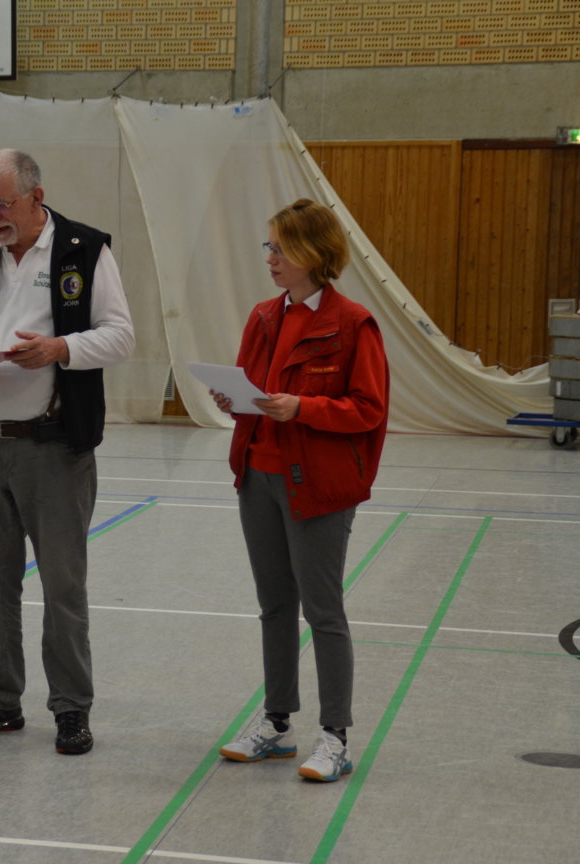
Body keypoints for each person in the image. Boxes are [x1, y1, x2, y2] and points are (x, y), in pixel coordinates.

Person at [0, 150, 135, 755]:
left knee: (63, 586)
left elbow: (121, 336)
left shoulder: (83, 249)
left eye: (3, 204)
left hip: (53, 447)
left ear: (36, 197)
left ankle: (71, 707)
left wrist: (59, 350)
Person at [213, 198, 389, 782]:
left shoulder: (354, 323)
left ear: (315, 253)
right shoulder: (264, 316)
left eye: (281, 248)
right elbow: (252, 391)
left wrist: (303, 407)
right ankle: (276, 724)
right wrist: (232, 399)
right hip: (257, 476)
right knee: (274, 606)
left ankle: (335, 736)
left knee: (323, 610)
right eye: (269, 246)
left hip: (317, 486)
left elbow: (368, 409)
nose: (271, 258)